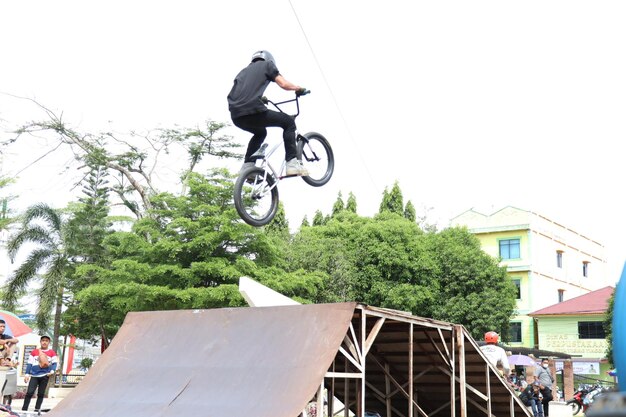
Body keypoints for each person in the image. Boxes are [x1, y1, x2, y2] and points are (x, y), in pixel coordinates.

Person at [227, 50, 309, 177]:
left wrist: (260, 99)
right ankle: (292, 163)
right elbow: (283, 84)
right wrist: (297, 88)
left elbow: (242, 93)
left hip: (236, 115)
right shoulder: (267, 65)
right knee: (289, 122)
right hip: (253, 109)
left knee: (260, 132)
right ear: (269, 60)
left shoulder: (242, 72)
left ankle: (247, 167)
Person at [22, 335, 58, 412]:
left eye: (46, 341)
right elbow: (29, 363)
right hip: (34, 375)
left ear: (49, 342)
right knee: (29, 393)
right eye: (43, 340)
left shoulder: (52, 352)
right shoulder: (34, 352)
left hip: (45, 376)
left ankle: (36, 410)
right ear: (40, 342)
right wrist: (27, 374)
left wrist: (52, 371)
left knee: (41, 394)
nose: (44, 342)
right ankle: (24, 410)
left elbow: (54, 363)